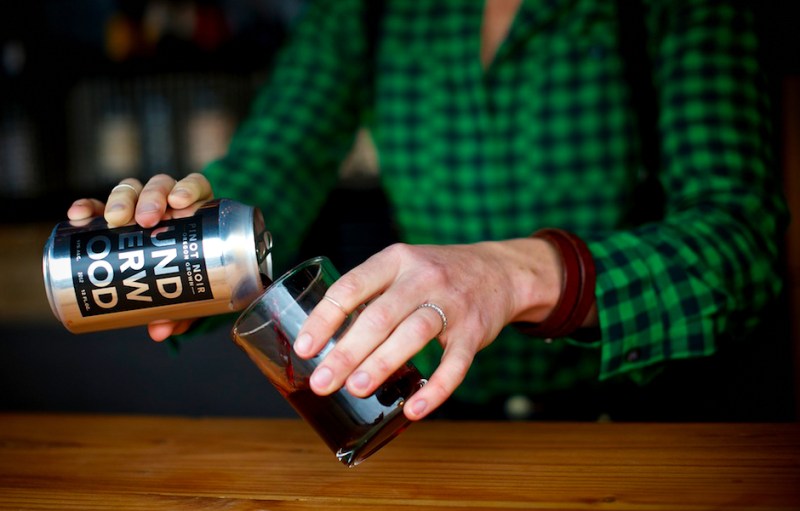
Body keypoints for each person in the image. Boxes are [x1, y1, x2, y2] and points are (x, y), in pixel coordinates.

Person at [67, 0, 788, 422]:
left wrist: (522, 272)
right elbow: (274, 162)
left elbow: (742, 240)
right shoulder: (372, 9)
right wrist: (185, 233)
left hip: (646, 425)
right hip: (443, 427)